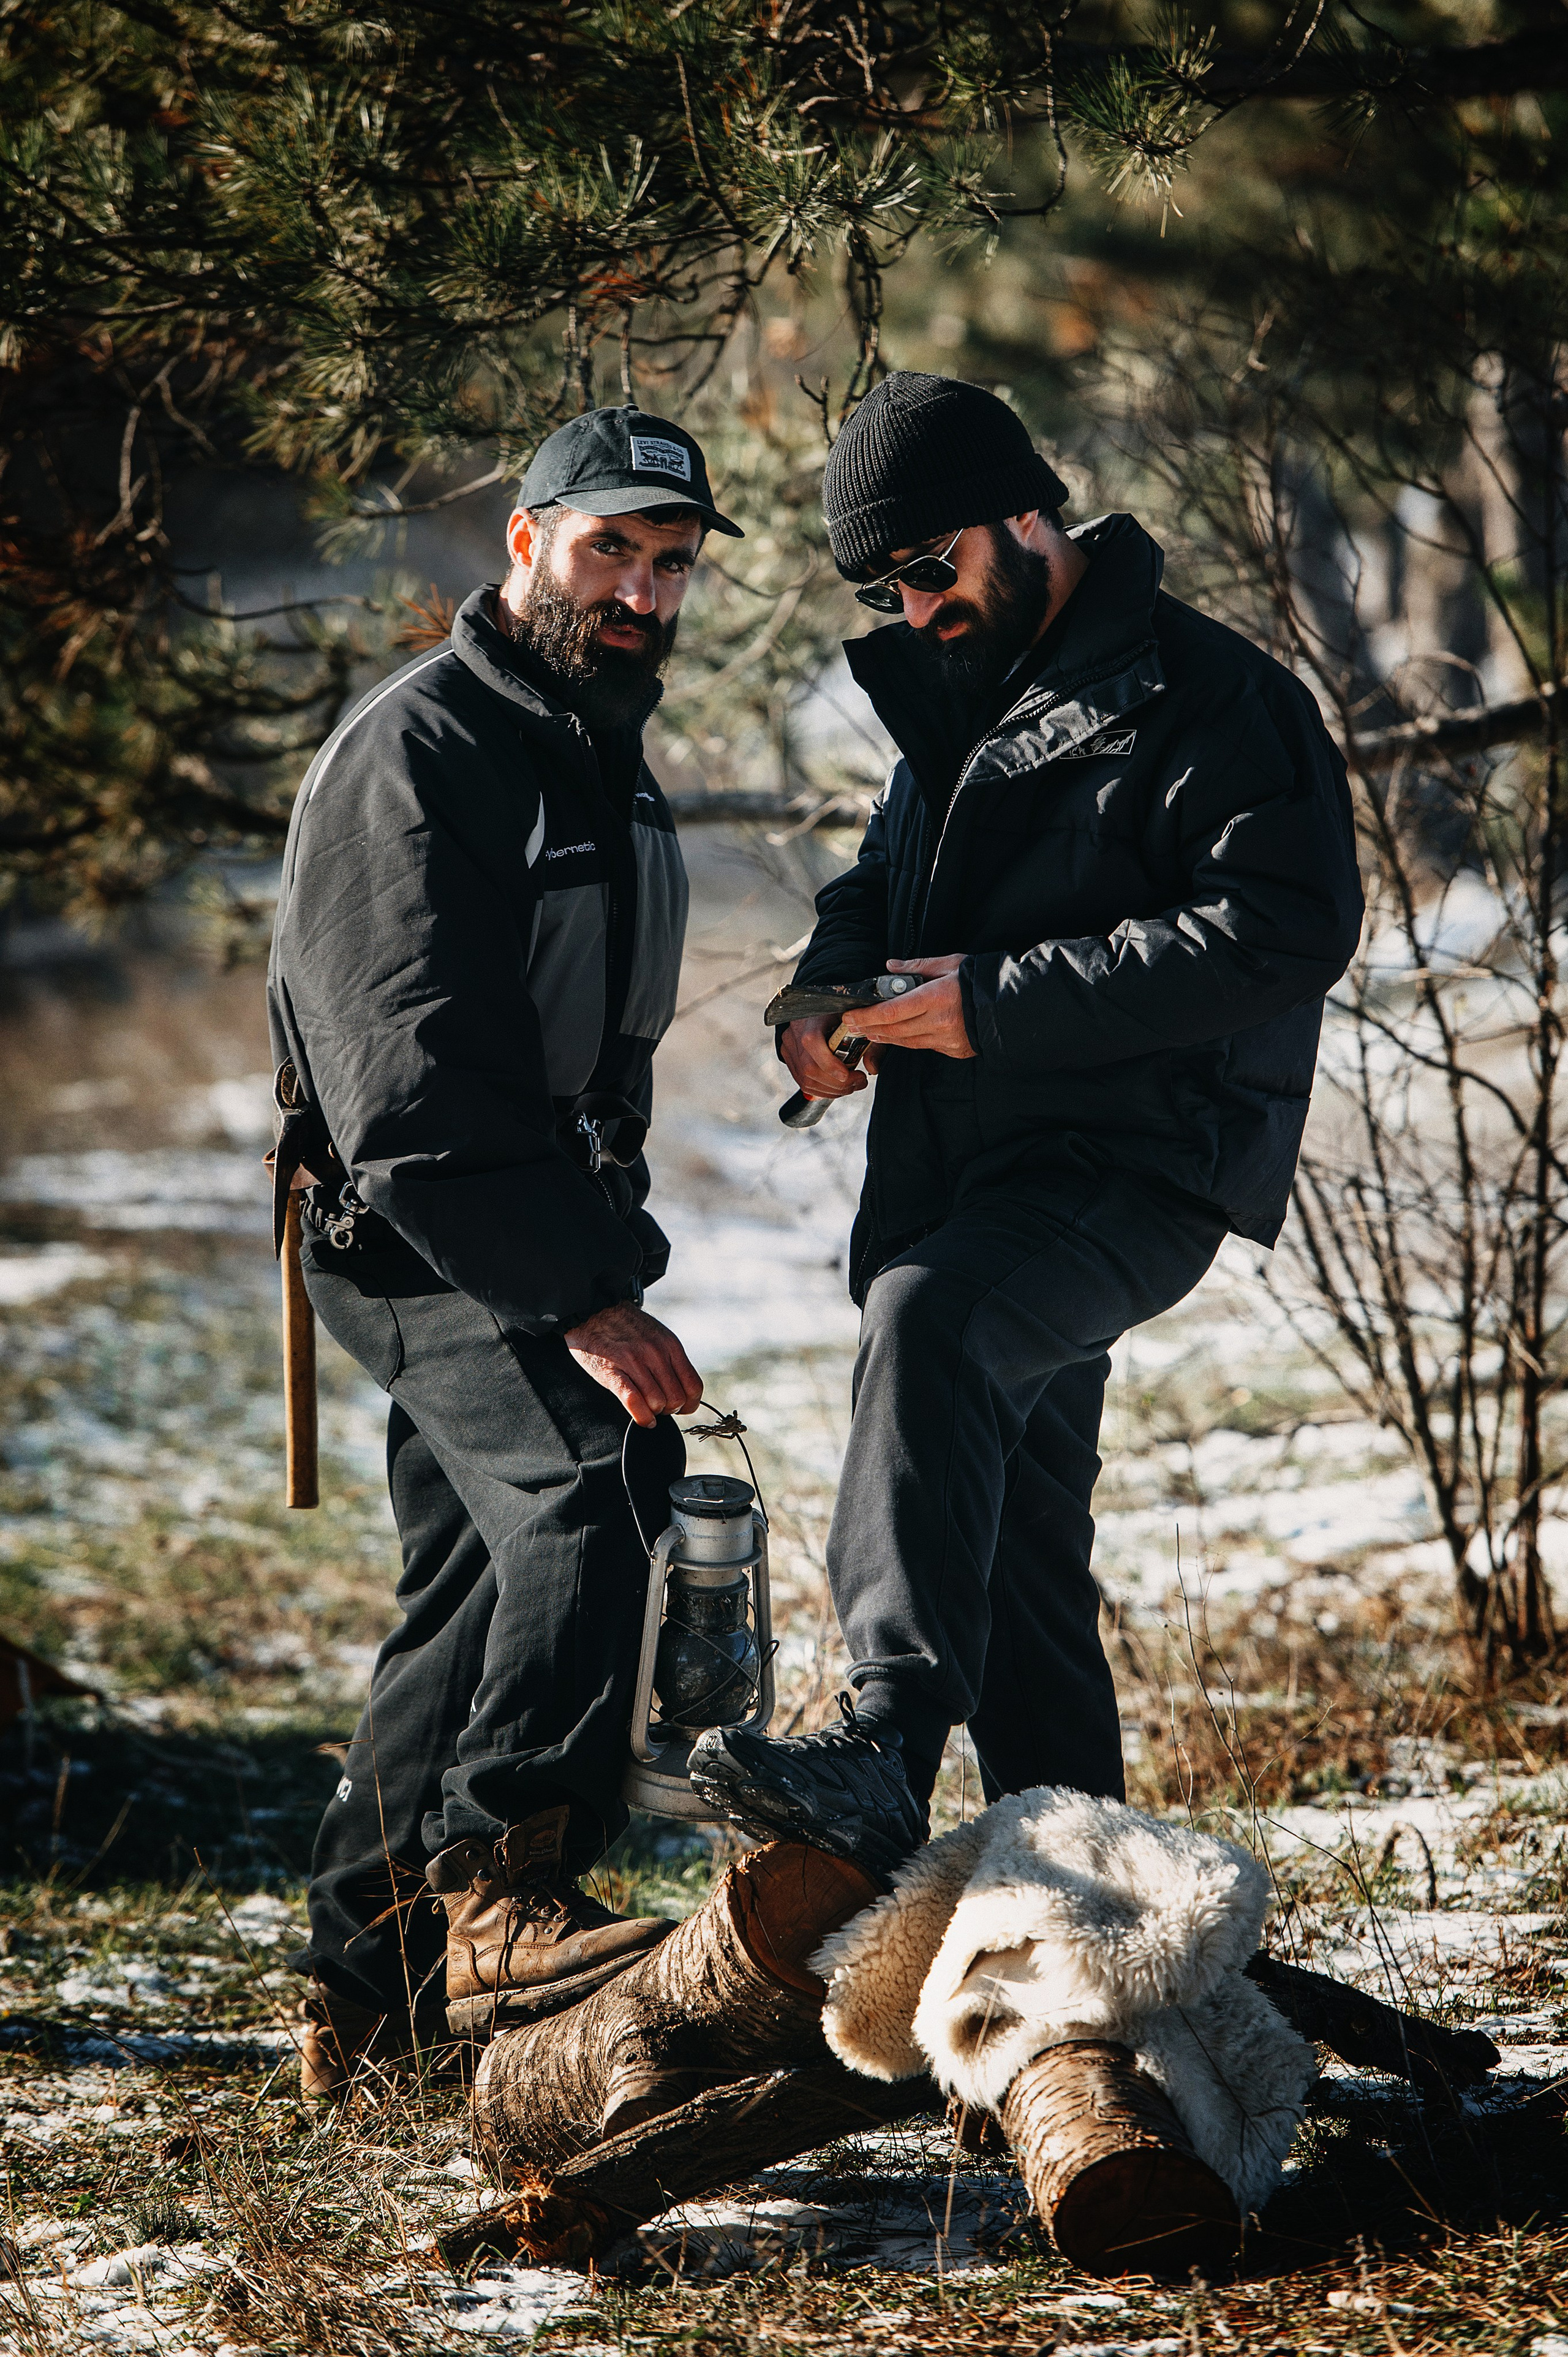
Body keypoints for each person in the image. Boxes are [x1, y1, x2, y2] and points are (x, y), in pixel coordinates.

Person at [690, 371, 1363, 1876]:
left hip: (1139, 1164)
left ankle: (880, 1743)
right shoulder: (963, 683)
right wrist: (824, 995)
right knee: (1012, 1555)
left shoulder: (1215, 695)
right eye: (882, 585)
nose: (913, 606)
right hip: (968, 1166)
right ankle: (1083, 1901)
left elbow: (1284, 927)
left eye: (930, 566)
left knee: (928, 1323)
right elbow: (882, 877)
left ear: (1024, 513)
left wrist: (991, 1003)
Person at [268, 406, 742, 2095]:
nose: (640, 589)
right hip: (420, 1220)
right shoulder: (425, 750)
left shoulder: (591, 744)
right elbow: (407, 1084)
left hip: (524, 1206)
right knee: (596, 1476)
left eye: (669, 562)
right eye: (609, 549)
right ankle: (503, 1891)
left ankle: (365, 1996)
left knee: (475, 1583)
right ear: (526, 540)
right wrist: (579, 1299)